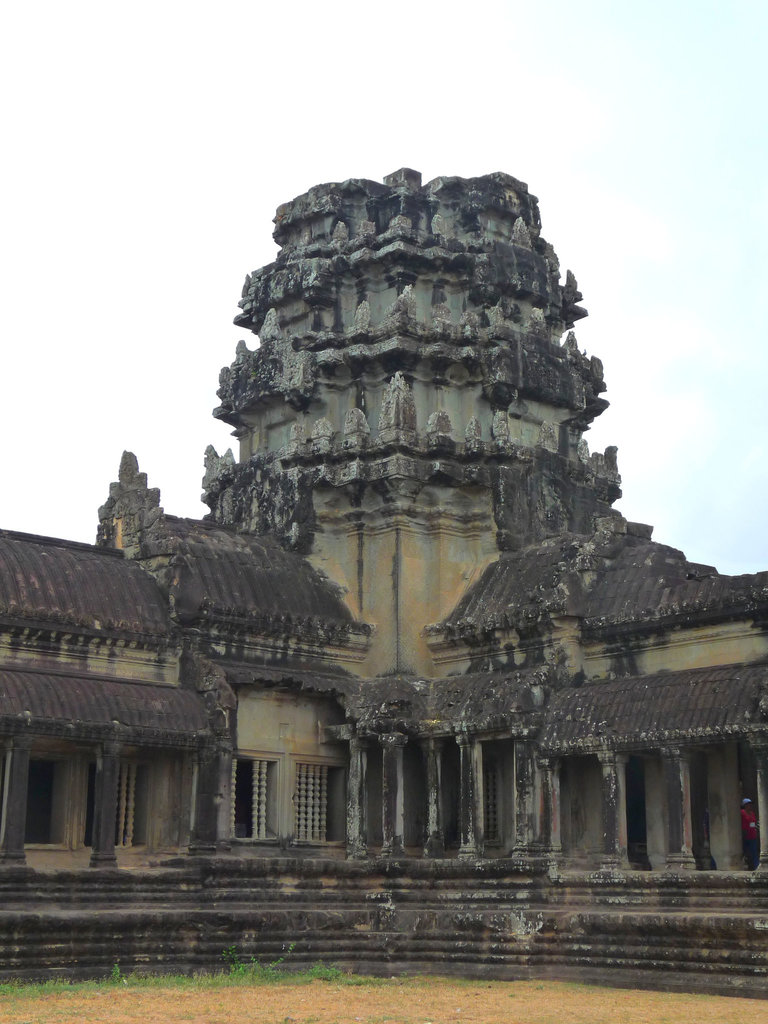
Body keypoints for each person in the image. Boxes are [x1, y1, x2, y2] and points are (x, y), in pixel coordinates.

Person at [741, 798, 759, 870]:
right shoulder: (741, 812)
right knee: (744, 852)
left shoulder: (752, 813)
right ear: (745, 805)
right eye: (748, 804)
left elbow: (753, 823)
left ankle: (756, 867)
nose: (750, 806)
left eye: (750, 804)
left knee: (754, 852)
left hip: (752, 835)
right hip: (745, 835)